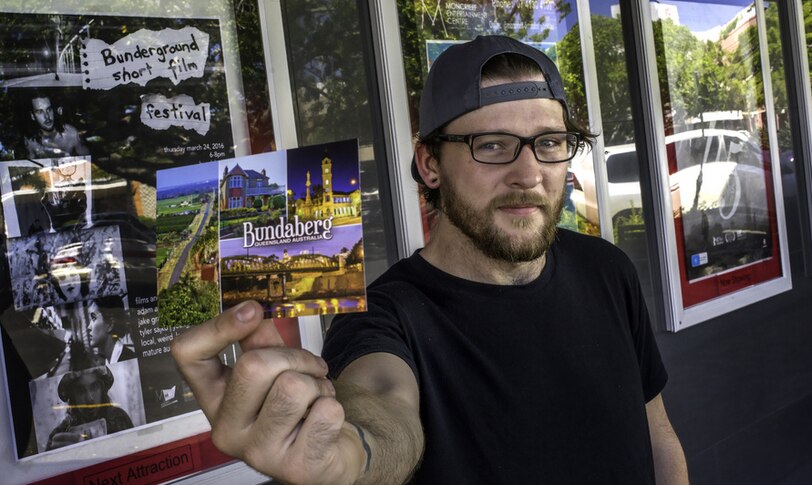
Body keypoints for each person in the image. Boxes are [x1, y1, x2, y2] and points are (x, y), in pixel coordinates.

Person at [172, 35, 689, 484]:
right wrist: (351, 452)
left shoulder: (607, 268)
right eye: (492, 145)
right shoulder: (383, 317)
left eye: (549, 143)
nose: (529, 174)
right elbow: (381, 405)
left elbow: (656, 432)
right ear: (429, 164)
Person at [46, 365, 133, 450]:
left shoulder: (120, 418)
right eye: (80, 391)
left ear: (102, 389)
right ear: (72, 396)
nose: (89, 398)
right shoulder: (61, 433)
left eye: (94, 387)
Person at [24, 94, 90, 159]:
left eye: (49, 109)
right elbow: (30, 167)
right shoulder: (31, 142)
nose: (47, 116)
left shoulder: (71, 133)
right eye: (40, 112)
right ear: (32, 116)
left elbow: (88, 162)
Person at [87, 297, 136, 364]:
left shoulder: (130, 360)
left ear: (109, 324)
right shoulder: (108, 360)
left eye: (94, 318)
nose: (88, 327)